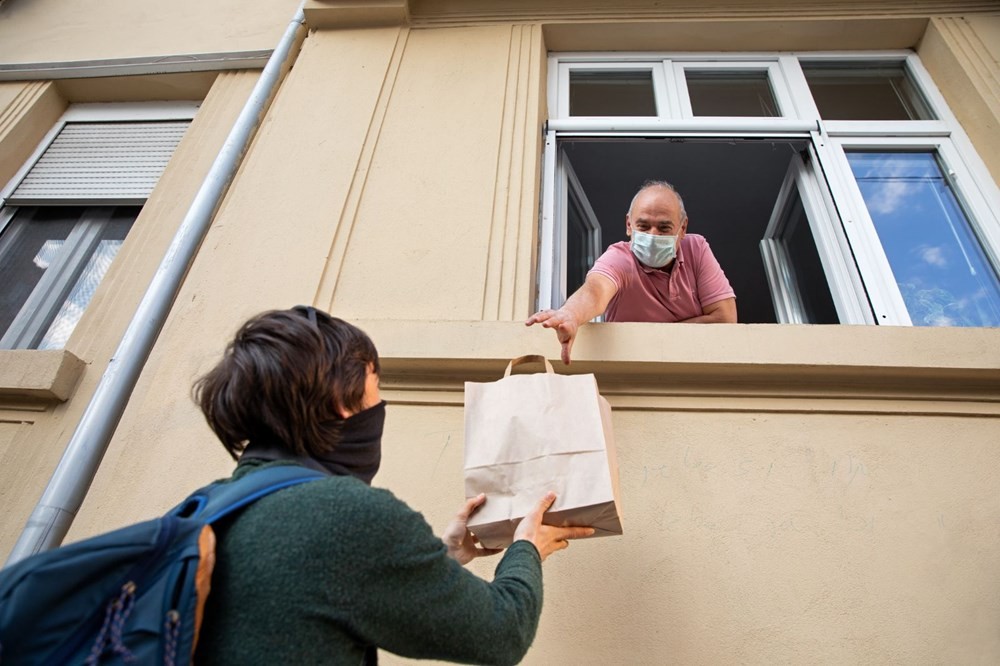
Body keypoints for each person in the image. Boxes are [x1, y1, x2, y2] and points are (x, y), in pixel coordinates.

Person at [192, 306, 592, 665]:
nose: (379, 408)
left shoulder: (208, 506)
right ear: (340, 401)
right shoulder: (347, 515)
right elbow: (503, 633)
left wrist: (444, 559)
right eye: (374, 390)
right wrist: (527, 549)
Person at [527, 180, 737, 364]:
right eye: (643, 226)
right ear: (629, 225)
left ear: (682, 228)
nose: (653, 235)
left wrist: (655, 335)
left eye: (664, 228)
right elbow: (595, 290)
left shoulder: (696, 249)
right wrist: (570, 314)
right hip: (632, 374)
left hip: (695, 371)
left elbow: (725, 319)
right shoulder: (619, 257)